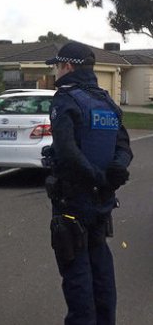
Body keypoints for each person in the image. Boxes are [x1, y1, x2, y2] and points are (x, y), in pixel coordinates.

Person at [44, 41, 133, 325]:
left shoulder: (65, 100)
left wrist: (97, 179)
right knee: (102, 278)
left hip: (73, 207)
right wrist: (112, 176)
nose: (56, 72)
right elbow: (124, 148)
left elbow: (68, 153)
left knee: (78, 282)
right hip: (101, 207)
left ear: (67, 66)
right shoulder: (107, 102)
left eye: (57, 66)